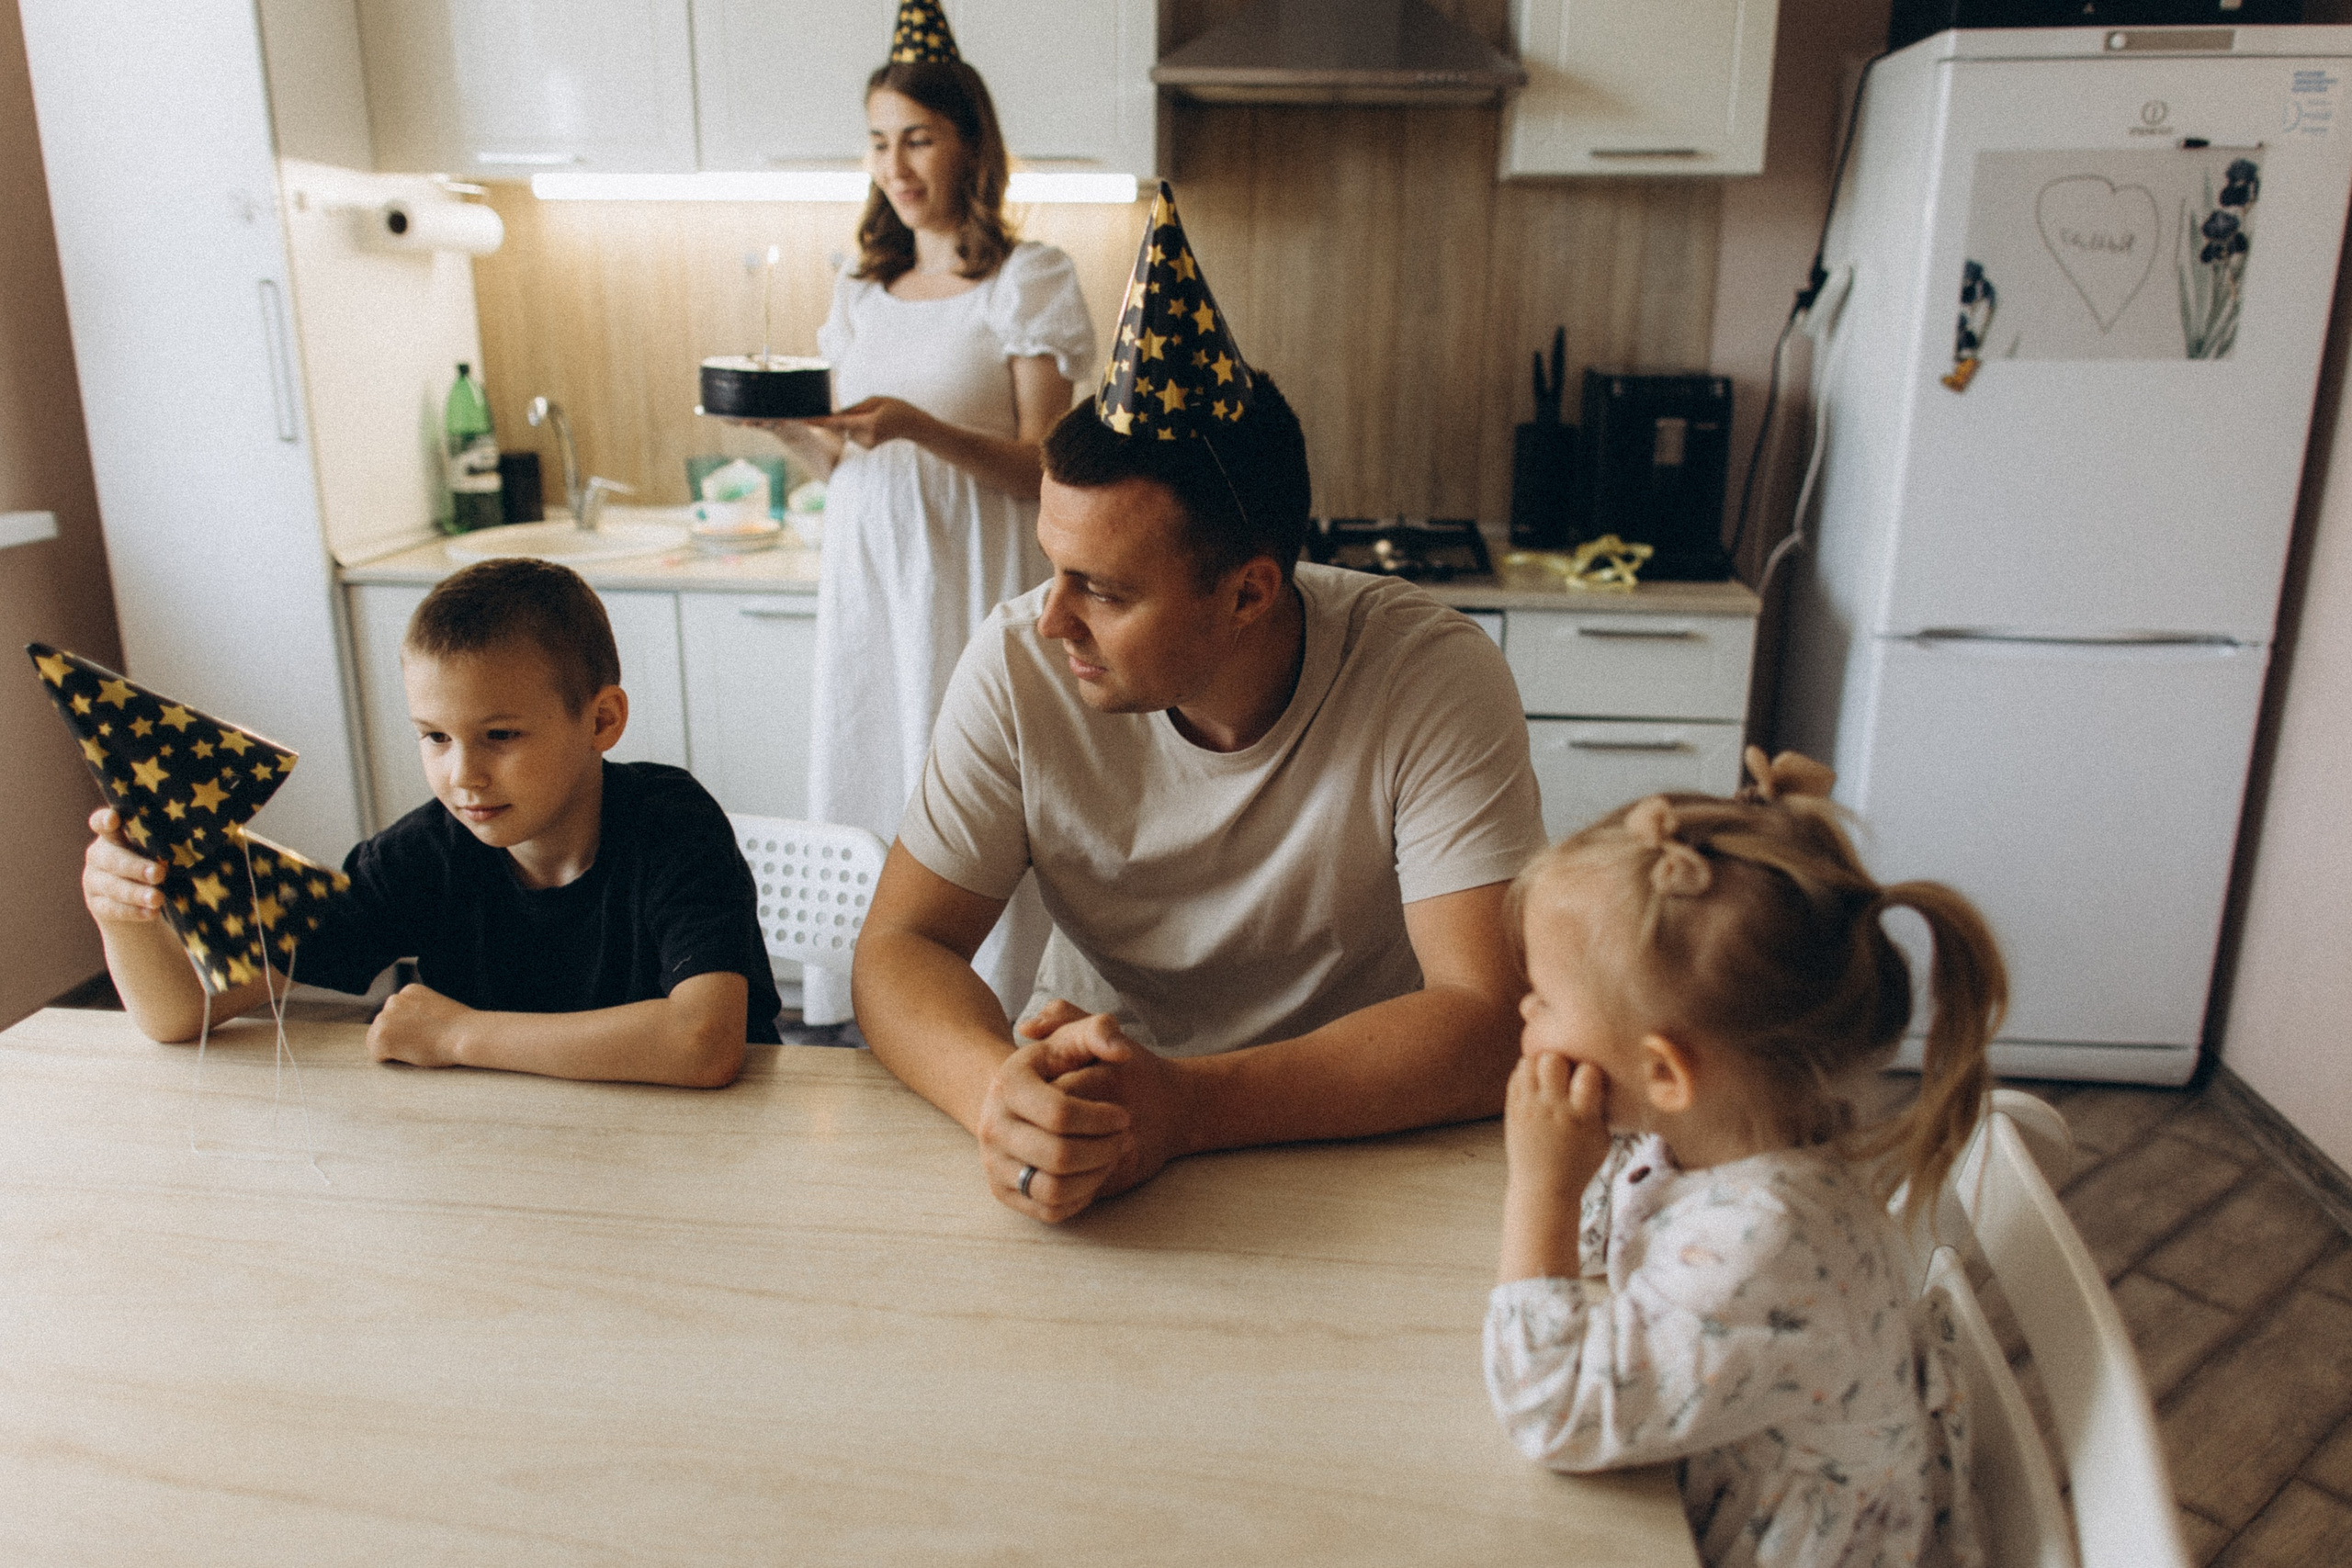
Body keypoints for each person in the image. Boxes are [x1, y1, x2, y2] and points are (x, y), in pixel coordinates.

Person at [854, 182, 1547, 1223]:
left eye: (1105, 589)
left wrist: (1183, 1108)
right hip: (1102, 1115)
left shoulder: (1428, 676)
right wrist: (994, 1094)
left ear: (1249, 592)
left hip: (1360, 1136)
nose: (1053, 621)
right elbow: (900, 949)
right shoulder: (1014, 667)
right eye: (1054, 568)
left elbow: (1484, 1016)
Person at [1486, 750, 1996, 1568]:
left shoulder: (1762, 1242)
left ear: (1664, 1073)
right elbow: (1605, 1246)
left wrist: (1539, 1188)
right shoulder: (1734, 1135)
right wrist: (1579, 1160)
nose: (1523, 1007)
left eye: (1545, 995)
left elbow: (1555, 1414)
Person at [81, 558, 783, 1088]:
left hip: (707, 1154)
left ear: (602, 720)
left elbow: (704, 1041)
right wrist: (124, 913)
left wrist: (460, 1036)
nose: (463, 774)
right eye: (434, 737)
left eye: (500, 735)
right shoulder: (424, 853)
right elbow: (182, 1016)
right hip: (515, 1161)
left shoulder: (673, 824)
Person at [751, 0, 1093, 1027]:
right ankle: (876, 1007)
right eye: (878, 142)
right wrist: (778, 424)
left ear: (969, 145)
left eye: (918, 139)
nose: (895, 167)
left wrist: (918, 427)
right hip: (871, 586)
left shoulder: (1025, 281)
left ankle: (988, 1009)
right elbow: (839, 467)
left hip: (975, 578)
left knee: (974, 783)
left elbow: (1050, 469)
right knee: (875, 766)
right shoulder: (862, 288)